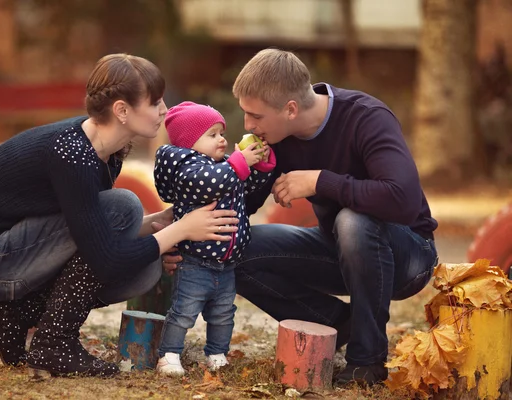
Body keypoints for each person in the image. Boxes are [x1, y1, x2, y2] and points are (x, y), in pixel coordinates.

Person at [0, 54, 239, 378]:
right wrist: (181, 230)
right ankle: (55, 343)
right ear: (122, 111)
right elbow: (104, 256)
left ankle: (11, 318)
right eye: (154, 101)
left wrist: (165, 222)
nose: (164, 110)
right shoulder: (72, 154)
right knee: (124, 206)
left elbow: (90, 230)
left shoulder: (107, 151)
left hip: (19, 251)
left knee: (146, 267)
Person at [161, 48, 439, 386]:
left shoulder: (366, 117)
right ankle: (339, 324)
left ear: (290, 109)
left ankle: (367, 361)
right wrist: (186, 232)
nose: (248, 124)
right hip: (337, 248)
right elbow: (239, 208)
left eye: (256, 116)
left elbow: (403, 200)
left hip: (407, 258)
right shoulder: (280, 136)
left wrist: (319, 180)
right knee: (239, 248)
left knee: (353, 220)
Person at [152, 101, 276, 376]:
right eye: (212, 134)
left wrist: (260, 166)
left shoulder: (222, 166)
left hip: (226, 262)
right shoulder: (188, 168)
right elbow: (209, 182)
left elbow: (244, 183)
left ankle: (217, 352)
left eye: (222, 132)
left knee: (223, 313)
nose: (222, 139)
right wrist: (238, 163)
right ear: (189, 142)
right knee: (184, 311)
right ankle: (169, 354)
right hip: (195, 261)